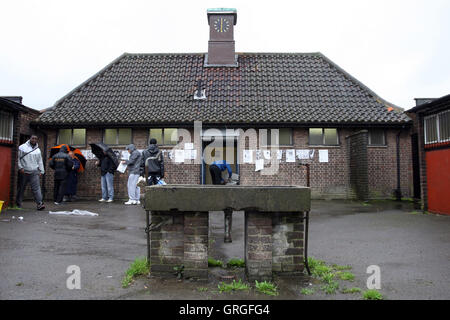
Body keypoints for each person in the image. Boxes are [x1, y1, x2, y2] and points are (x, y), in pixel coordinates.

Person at [16, 135, 45, 210]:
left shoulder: (38, 150)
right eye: (33, 138)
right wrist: (20, 167)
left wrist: (41, 170)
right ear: (30, 139)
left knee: (37, 189)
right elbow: (18, 158)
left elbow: (40, 161)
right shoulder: (22, 147)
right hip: (24, 171)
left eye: (36, 138)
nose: (34, 140)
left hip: (34, 171)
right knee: (21, 188)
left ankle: (40, 204)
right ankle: (18, 204)